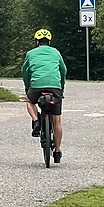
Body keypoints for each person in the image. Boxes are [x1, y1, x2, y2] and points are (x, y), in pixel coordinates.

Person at [21, 29, 67, 163]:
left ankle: (36, 120)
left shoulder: (30, 53)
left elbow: (25, 71)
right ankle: (57, 151)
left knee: (29, 101)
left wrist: (28, 86)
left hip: (36, 86)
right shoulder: (56, 52)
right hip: (55, 87)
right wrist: (61, 86)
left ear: (37, 42)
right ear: (49, 42)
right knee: (56, 120)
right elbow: (63, 70)